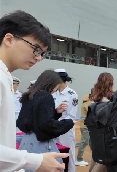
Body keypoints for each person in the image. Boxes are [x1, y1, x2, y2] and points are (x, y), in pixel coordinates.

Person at [0, 10, 68, 172]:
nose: (38, 57)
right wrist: (33, 160)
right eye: (35, 49)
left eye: (41, 53)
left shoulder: (6, 77)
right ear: (9, 39)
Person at [17, 70, 76, 172]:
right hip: (41, 144)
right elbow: (46, 124)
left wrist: (55, 112)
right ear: (51, 84)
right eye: (56, 86)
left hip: (26, 141)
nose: (55, 89)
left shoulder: (30, 95)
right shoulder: (46, 96)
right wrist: (68, 123)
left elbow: (33, 119)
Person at [52, 69, 78, 172]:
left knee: (68, 154)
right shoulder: (53, 93)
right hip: (53, 128)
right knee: (54, 153)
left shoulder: (72, 94)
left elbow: (71, 115)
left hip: (65, 130)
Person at [88, 73, 114, 172]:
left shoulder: (93, 100)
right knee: (101, 166)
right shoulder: (108, 102)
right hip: (105, 140)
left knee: (94, 162)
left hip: (94, 136)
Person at [75, 89, 92, 166]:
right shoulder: (88, 104)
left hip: (88, 125)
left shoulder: (88, 101)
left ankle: (93, 157)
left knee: (90, 141)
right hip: (85, 126)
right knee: (84, 141)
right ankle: (78, 159)